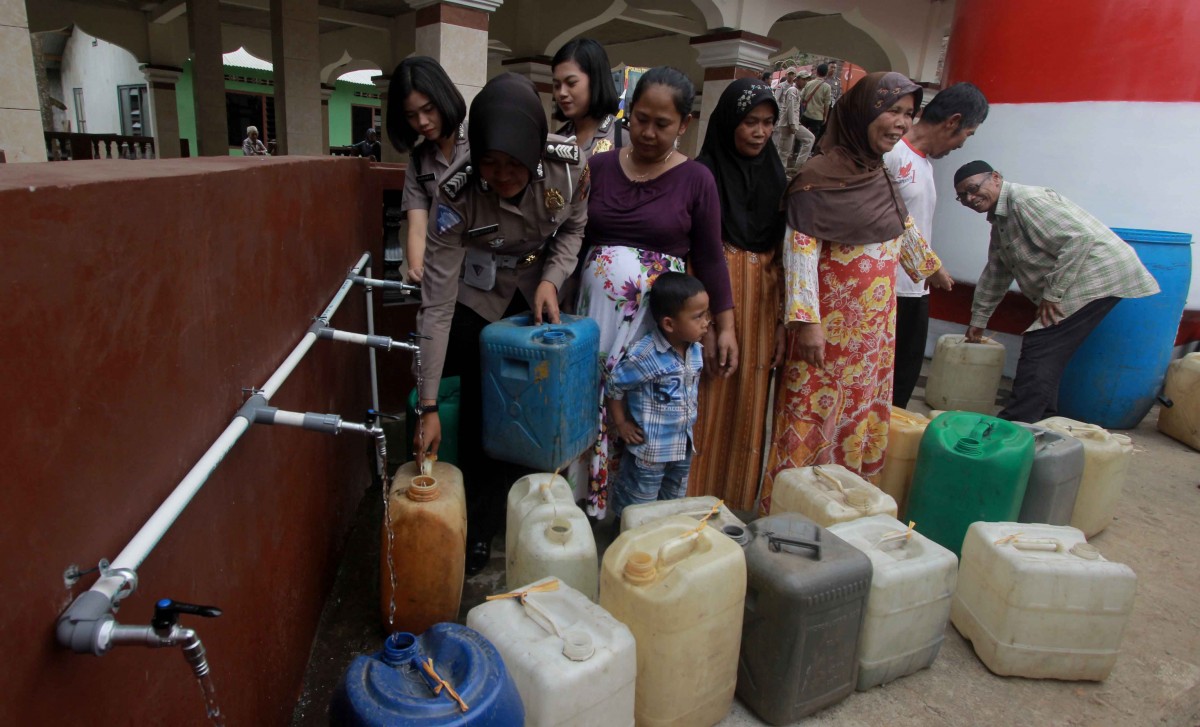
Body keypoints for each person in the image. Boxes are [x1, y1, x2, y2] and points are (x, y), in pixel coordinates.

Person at [413, 73, 588, 574]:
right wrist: (427, 405)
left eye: (515, 163)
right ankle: (480, 524)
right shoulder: (456, 192)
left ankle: (535, 521)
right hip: (480, 297)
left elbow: (574, 226)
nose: (502, 174)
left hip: (538, 296)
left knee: (539, 411)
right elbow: (437, 303)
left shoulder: (571, 169)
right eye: (490, 161)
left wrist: (554, 277)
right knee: (484, 413)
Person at [760, 72, 943, 515]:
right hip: (826, 338)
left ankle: (848, 511)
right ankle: (791, 515)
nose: (901, 122)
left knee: (859, 421)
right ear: (862, 112)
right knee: (813, 419)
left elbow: (898, 225)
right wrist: (807, 322)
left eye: (908, 114)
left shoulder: (875, 173)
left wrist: (929, 267)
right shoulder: (818, 175)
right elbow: (799, 252)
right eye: (892, 110)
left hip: (873, 337)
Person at [576, 66, 736, 519]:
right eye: (639, 118)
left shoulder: (697, 179)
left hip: (658, 323)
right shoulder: (600, 167)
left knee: (641, 409)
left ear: (684, 124)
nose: (647, 132)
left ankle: (635, 514)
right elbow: (573, 238)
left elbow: (710, 257)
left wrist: (723, 327)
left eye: (662, 124)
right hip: (597, 320)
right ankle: (589, 504)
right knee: (591, 399)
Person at [954, 160, 1160, 423]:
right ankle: (1044, 420)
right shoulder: (1001, 220)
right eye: (962, 196)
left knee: (1040, 346)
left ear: (995, 178)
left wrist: (1053, 293)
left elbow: (1079, 239)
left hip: (1095, 273)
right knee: (1046, 350)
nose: (970, 198)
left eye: (973, 188)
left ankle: (1015, 425)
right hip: (1079, 277)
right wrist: (978, 320)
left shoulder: (1026, 201)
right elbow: (997, 271)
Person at [690, 78, 787, 510]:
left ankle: (732, 506)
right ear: (730, 122)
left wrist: (783, 321)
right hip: (714, 303)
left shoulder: (777, 176)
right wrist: (705, 325)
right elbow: (693, 254)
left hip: (763, 308)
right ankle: (689, 502)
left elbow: (787, 256)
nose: (760, 132)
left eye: (767, 123)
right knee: (705, 400)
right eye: (750, 121)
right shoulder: (703, 175)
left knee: (749, 404)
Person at [883, 82, 989, 407]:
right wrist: (931, 265)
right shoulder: (892, 153)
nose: (961, 144)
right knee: (881, 384)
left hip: (915, 290)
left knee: (902, 384)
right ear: (952, 122)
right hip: (887, 289)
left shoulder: (925, 163)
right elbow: (888, 218)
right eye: (966, 134)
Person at [607, 273, 708, 517]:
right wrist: (621, 423)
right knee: (639, 507)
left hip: (681, 448)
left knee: (671, 506)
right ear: (669, 324)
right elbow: (614, 385)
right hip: (650, 452)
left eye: (707, 314)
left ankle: (660, 544)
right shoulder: (645, 355)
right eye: (698, 317)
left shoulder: (696, 350)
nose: (707, 322)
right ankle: (626, 543)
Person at [387, 56, 468, 284]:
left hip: (489, 274)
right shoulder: (419, 161)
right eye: (411, 116)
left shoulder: (480, 142)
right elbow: (418, 226)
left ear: (443, 99)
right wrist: (416, 268)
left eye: (428, 109)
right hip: (444, 273)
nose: (422, 122)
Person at [551, 37, 629, 157]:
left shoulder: (623, 138)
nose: (562, 93)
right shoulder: (555, 141)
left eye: (571, 83)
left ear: (595, 81)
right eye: (557, 85)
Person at [799, 63, 833, 141]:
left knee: (801, 135)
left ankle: (796, 151)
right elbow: (826, 104)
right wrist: (825, 117)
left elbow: (801, 97)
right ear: (826, 73)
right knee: (813, 137)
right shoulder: (827, 87)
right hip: (818, 117)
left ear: (817, 72)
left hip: (806, 114)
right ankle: (809, 152)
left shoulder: (809, 83)